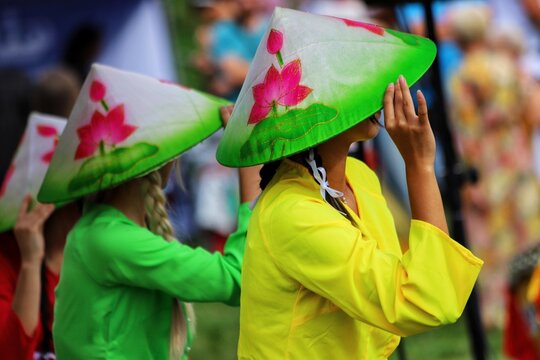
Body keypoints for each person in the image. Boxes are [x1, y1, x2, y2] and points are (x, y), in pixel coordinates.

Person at [216, 8, 482, 359]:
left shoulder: (359, 177)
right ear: (313, 114)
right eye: (349, 82)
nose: (373, 90)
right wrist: (419, 166)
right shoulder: (292, 214)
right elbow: (425, 301)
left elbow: (404, 282)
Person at [38, 64, 259, 359]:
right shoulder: (110, 240)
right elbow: (239, 279)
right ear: (160, 163)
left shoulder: (102, 231)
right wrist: (249, 162)